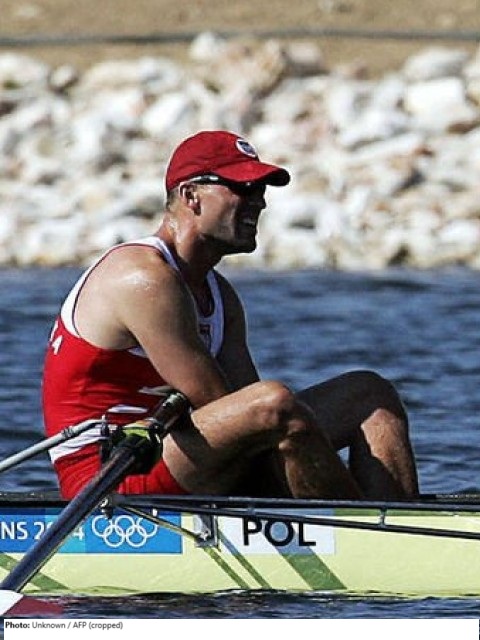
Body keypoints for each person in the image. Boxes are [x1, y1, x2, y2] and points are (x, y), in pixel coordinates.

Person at [42, 130, 419, 501]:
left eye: (261, 190)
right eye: (244, 188)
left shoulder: (220, 295)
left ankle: (398, 522)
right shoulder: (143, 277)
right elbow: (224, 405)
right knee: (274, 403)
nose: (260, 202)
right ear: (191, 196)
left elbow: (242, 410)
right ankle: (360, 528)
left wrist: (301, 461)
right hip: (109, 474)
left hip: (183, 453)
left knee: (370, 395)